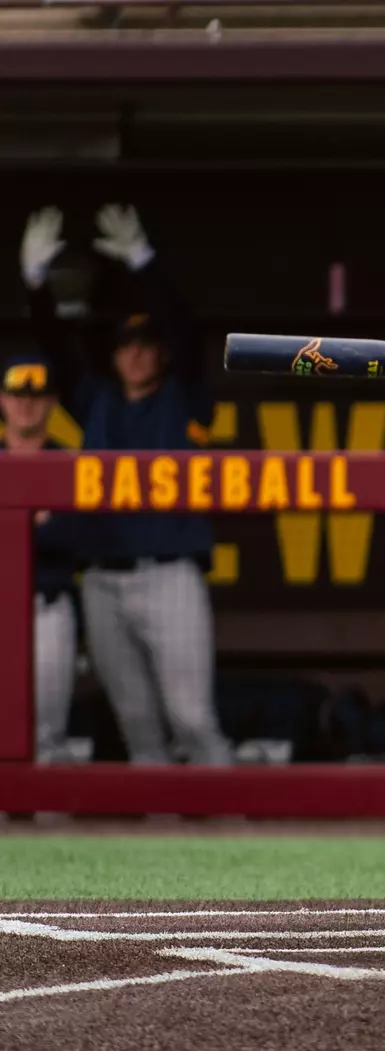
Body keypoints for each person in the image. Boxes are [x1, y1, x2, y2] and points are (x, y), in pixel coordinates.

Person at [20, 205, 230, 766]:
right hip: (104, 582)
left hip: (169, 574)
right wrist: (36, 284)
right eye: (124, 345)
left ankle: (236, 831)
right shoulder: (97, 401)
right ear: (113, 355)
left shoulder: (185, 398)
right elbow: (56, 348)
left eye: (145, 344)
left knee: (191, 716)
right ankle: (163, 840)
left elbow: (186, 332)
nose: (135, 353)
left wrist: (144, 265)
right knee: (136, 722)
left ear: (159, 352)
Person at [0, 356, 82, 765]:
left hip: (47, 604)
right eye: (17, 395)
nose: (25, 405)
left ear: (52, 401)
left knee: (49, 732)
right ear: (2, 399)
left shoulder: (67, 463)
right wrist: (36, 522)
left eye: (35, 396)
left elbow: (75, 538)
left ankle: (51, 826)